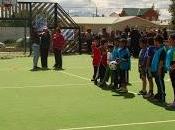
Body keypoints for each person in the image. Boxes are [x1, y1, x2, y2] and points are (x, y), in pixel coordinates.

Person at [151, 35, 167, 103]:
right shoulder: (158, 49)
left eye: (154, 41)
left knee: (160, 83)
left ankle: (162, 97)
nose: (154, 43)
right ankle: (159, 94)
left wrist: (159, 70)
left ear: (157, 41)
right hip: (156, 70)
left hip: (159, 70)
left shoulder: (162, 50)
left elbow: (161, 62)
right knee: (158, 83)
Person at [166, 33, 175, 108]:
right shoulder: (171, 48)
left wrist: (172, 68)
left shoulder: (174, 49)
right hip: (171, 71)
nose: (168, 40)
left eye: (170, 39)